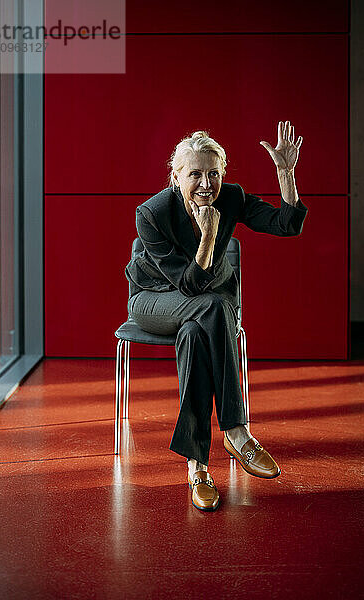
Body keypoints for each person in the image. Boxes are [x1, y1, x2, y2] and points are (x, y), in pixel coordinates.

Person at [125, 121, 308, 511]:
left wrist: (286, 175)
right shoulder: (152, 214)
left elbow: (286, 225)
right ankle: (237, 432)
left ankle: (197, 466)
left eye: (213, 173)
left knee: (195, 333)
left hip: (204, 308)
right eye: (195, 174)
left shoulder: (231, 198)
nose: (206, 183)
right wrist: (209, 236)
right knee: (213, 305)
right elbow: (190, 286)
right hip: (154, 300)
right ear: (176, 176)